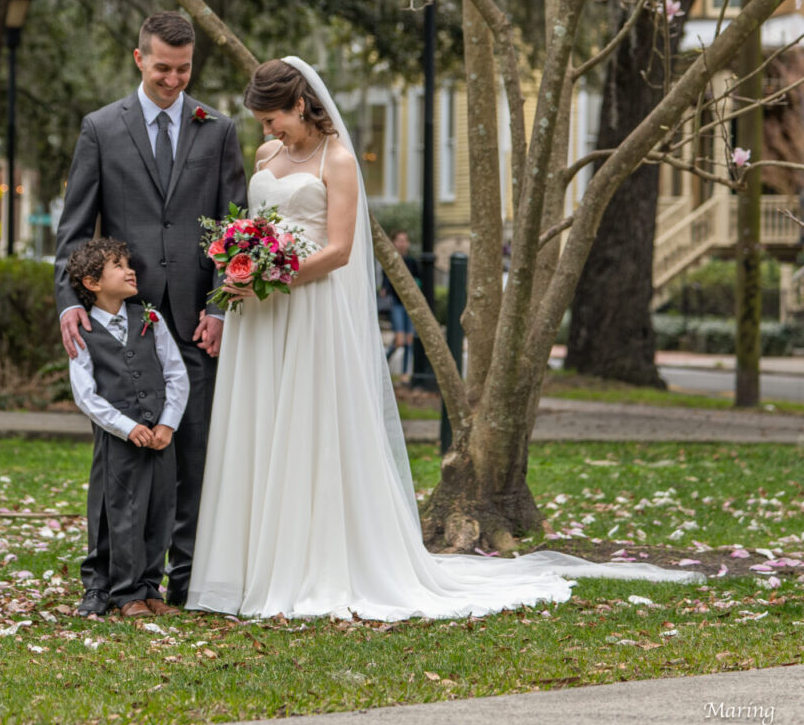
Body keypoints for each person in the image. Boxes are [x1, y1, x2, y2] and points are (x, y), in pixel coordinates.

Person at [187, 56, 702, 621]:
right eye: (262, 124)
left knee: (306, 427)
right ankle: (244, 566)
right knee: (259, 424)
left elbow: (338, 250)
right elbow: (258, 227)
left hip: (309, 310)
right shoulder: (267, 157)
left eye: (273, 119)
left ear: (301, 104)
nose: (268, 134)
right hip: (261, 314)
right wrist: (242, 264)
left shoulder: (338, 161)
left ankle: (304, 563)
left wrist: (271, 277)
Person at [55, 11, 248, 611]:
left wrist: (220, 308)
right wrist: (69, 302)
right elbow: (73, 229)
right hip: (119, 325)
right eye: (162, 67)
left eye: (184, 69)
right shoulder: (101, 129)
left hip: (194, 323)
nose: (173, 79)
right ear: (139, 59)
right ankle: (109, 583)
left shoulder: (217, 130)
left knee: (191, 454)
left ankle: (185, 584)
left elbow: (234, 229)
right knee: (118, 460)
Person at [66, 237, 189, 619]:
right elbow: (84, 394)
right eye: (118, 265)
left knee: (159, 510)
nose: (130, 270)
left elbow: (176, 373)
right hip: (120, 439)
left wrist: (167, 424)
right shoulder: (83, 332)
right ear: (92, 282)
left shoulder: (149, 317)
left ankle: (152, 588)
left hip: (159, 437)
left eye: (128, 263)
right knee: (122, 513)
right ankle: (124, 592)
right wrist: (124, 426)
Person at [385, 228, 421, 377]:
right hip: (396, 303)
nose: (402, 243)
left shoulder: (412, 262)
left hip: (409, 304)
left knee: (408, 340)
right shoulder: (389, 261)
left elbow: (419, 280)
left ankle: (405, 373)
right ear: (394, 242)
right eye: (399, 240)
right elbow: (386, 284)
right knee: (399, 340)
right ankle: (382, 366)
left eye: (405, 240)